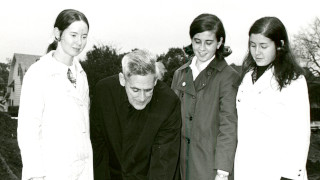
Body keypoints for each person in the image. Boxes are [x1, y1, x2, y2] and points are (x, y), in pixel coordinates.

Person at [17, 9, 93, 180]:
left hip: (82, 170)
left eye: (84, 36)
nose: (79, 42)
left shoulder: (81, 75)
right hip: (51, 170)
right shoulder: (38, 73)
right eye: (73, 35)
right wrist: (36, 174)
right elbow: (28, 129)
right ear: (58, 33)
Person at [234, 17, 310, 180]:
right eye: (253, 45)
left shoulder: (294, 80)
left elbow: (300, 133)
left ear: (280, 45)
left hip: (277, 172)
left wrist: (290, 175)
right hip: (246, 170)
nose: (257, 52)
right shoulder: (246, 78)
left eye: (264, 46)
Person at [90, 49, 181, 180]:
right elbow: (98, 147)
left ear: (155, 81)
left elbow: (164, 162)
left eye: (148, 90)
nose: (142, 97)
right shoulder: (104, 92)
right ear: (122, 79)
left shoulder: (169, 103)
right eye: (135, 90)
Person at [171, 13, 239, 180]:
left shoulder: (229, 77)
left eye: (208, 43)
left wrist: (222, 171)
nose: (201, 48)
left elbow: (228, 126)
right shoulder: (179, 74)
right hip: (181, 166)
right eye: (197, 41)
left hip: (211, 167)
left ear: (220, 42)